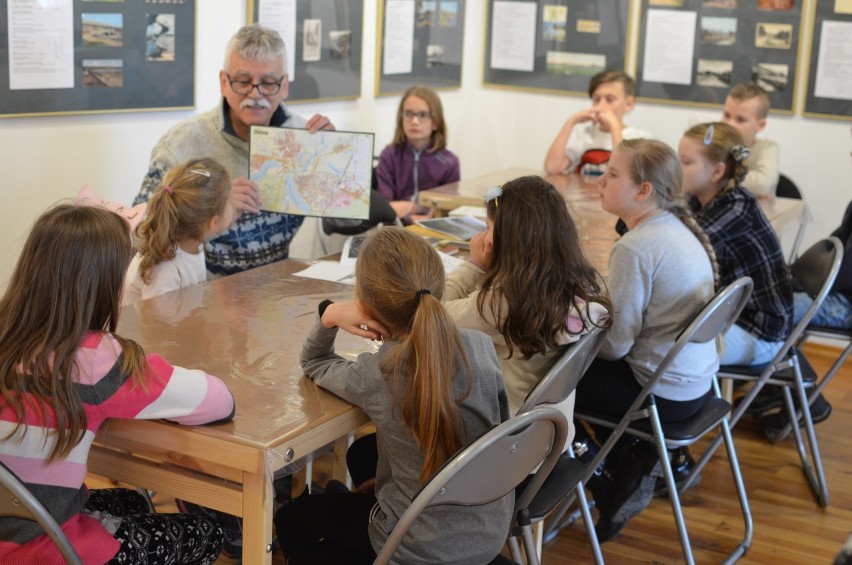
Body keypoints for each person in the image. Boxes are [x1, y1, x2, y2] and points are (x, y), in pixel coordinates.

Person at [0, 204, 235, 564]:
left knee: (133, 501)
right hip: (47, 550)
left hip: (16, 528)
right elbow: (219, 400)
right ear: (104, 282)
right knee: (206, 534)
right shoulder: (95, 359)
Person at [274, 228, 511, 564]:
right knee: (361, 453)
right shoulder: (479, 346)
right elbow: (492, 438)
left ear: (366, 304)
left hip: (417, 544)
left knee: (292, 518)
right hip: (488, 527)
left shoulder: (379, 372)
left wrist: (328, 315)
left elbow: (314, 362)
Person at [576, 139, 719, 541]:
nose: (601, 180)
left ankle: (605, 478)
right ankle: (631, 458)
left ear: (644, 191)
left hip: (660, 395)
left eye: (613, 173)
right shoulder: (676, 228)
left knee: (545, 384)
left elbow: (616, 346)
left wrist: (575, 331)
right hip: (695, 387)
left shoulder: (636, 247)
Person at [135, 24, 335, 277]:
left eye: (269, 82)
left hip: (276, 291)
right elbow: (141, 232)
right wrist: (213, 209)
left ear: (284, 85)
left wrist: (338, 158)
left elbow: (348, 224)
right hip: (200, 294)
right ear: (223, 82)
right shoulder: (181, 145)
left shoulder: (305, 138)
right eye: (243, 81)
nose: (255, 94)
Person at [442, 175, 612, 441]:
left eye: (488, 229)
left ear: (507, 240)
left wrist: (474, 265)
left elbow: (433, 313)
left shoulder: (504, 303)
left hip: (503, 450)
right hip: (551, 436)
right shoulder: (582, 285)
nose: (484, 239)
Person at [680, 122, 793, 366]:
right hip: (730, 318)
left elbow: (678, 250)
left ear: (717, 172)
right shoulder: (698, 198)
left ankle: (690, 403)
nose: (677, 170)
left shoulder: (736, 208)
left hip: (759, 332)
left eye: (686, 162)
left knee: (667, 351)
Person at [124, 158, 234, 304]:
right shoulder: (165, 271)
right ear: (213, 222)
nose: (233, 206)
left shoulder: (194, 244)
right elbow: (156, 324)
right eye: (230, 201)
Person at [375, 86, 460, 223]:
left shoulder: (449, 162)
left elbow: (444, 211)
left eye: (422, 115)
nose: (414, 121)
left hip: (433, 231)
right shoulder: (389, 155)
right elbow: (385, 209)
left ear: (435, 122)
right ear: (401, 118)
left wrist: (403, 211)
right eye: (409, 114)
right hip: (395, 232)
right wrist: (420, 209)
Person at [544, 70, 651, 176]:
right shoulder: (583, 134)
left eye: (610, 99)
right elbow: (552, 168)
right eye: (596, 99)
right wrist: (570, 122)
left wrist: (614, 126)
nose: (600, 106)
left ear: (628, 104)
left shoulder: (640, 139)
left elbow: (625, 173)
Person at [721, 83, 779, 199]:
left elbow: (762, 184)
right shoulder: (713, 144)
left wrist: (719, 177)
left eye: (740, 119)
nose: (729, 124)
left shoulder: (767, 148)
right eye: (727, 115)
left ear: (760, 125)